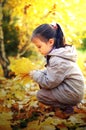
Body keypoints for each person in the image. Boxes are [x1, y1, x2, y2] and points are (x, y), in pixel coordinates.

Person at [30, 23, 85, 115]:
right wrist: (40, 73)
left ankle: (69, 106)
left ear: (50, 42)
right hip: (71, 90)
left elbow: (49, 82)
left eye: (39, 46)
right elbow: (52, 73)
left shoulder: (57, 60)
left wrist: (36, 75)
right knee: (42, 85)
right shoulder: (58, 55)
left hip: (72, 93)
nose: (38, 50)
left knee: (41, 95)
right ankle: (68, 103)